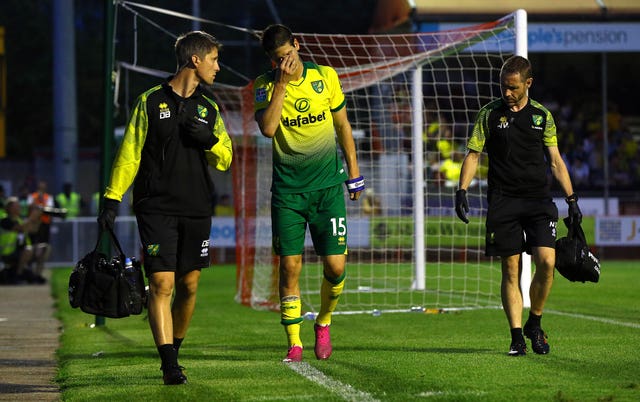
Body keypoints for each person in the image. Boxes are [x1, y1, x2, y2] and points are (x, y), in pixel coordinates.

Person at [97, 31, 233, 385]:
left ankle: (176, 347)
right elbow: (129, 154)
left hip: (197, 207)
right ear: (195, 60)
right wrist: (112, 198)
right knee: (161, 283)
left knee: (188, 285)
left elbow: (226, 159)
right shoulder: (149, 101)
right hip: (155, 206)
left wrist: (210, 140)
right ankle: (169, 363)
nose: (218, 67)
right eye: (214, 60)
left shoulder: (210, 108)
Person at [454, 55, 582, 356]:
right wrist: (461, 190)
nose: (507, 93)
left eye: (513, 88)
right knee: (511, 269)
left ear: (528, 83)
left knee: (547, 262)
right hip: (503, 201)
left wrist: (572, 200)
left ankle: (534, 324)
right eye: (503, 87)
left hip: (539, 200)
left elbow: (555, 161)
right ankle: (516, 337)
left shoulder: (542, 116)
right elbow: (473, 155)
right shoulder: (488, 114)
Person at [254, 24, 364, 363]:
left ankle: (324, 321)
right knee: (290, 267)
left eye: (287, 55)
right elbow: (269, 129)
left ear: (297, 45)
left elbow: (342, 125)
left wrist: (355, 173)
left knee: (335, 266)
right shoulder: (264, 86)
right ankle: (295, 342)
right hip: (288, 193)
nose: (283, 62)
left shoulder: (326, 77)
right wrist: (282, 86)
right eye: (277, 59)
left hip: (328, 189)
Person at [0, 197, 42, 284]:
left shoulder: (19, 220)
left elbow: (34, 230)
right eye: (17, 206)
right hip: (7, 252)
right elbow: (21, 228)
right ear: (10, 208)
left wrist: (38, 218)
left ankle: (37, 275)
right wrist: (32, 217)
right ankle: (17, 276)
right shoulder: (5, 220)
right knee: (28, 250)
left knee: (45, 248)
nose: (19, 208)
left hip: (19, 250)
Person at [27, 180, 54, 282]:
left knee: (43, 249)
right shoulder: (32, 196)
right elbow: (30, 207)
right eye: (40, 188)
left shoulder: (48, 197)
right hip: (33, 225)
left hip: (44, 225)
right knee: (32, 247)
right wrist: (38, 201)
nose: (41, 190)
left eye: (43, 188)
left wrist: (40, 203)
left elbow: (49, 209)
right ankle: (30, 272)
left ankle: (38, 273)